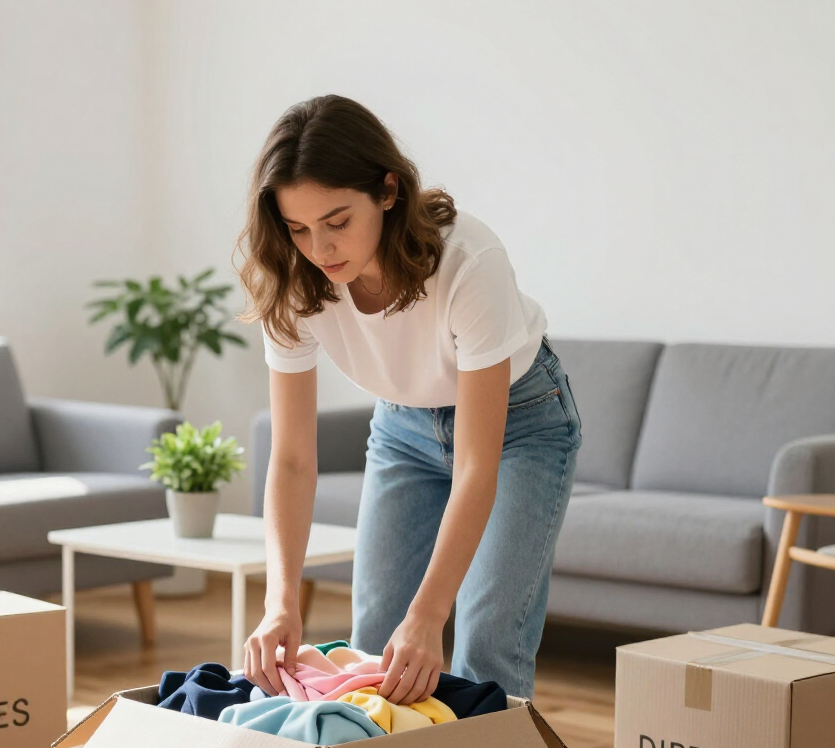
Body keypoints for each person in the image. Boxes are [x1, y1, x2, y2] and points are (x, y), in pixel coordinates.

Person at [236, 94, 582, 705]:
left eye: (338, 221)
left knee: (486, 646)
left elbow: (478, 465)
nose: (320, 248)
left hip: (521, 426)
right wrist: (280, 602)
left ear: (388, 191)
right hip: (402, 426)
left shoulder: (467, 260)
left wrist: (428, 616)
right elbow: (291, 460)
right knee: (372, 648)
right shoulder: (291, 280)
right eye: (298, 228)